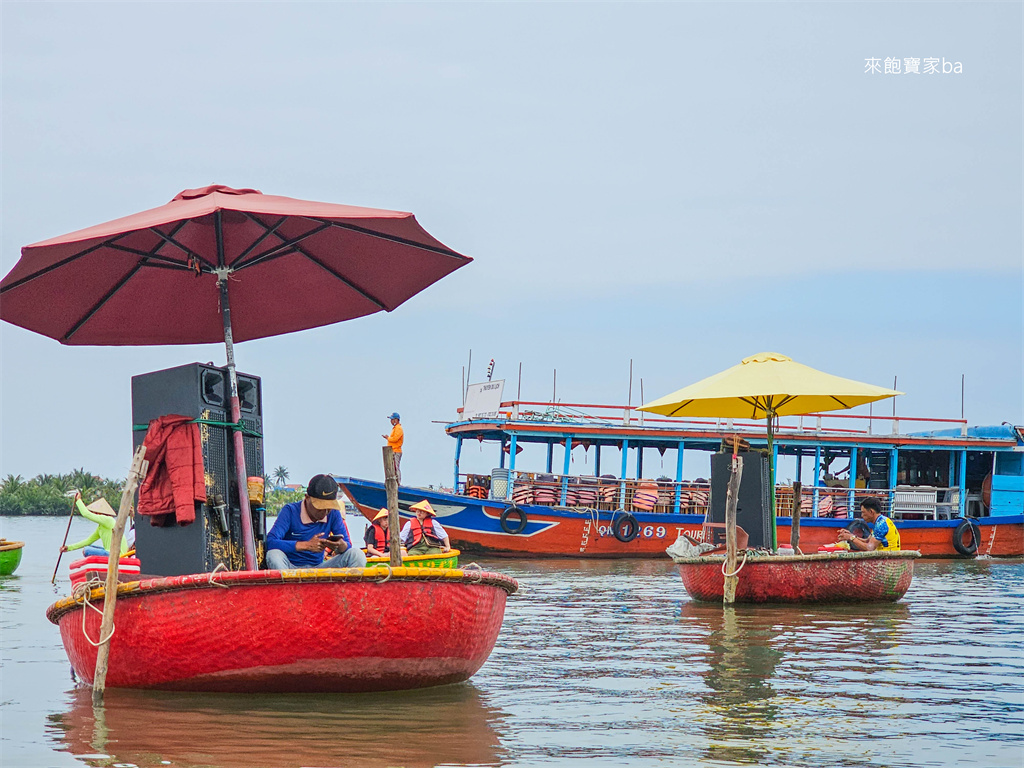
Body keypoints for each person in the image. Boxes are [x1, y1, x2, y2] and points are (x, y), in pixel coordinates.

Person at [266, 474, 367, 569]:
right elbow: (270, 542)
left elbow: (348, 545)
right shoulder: (290, 511)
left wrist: (340, 546)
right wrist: (305, 545)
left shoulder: (334, 514)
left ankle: (349, 588)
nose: (324, 513)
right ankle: (287, 587)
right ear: (307, 498)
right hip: (290, 567)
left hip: (319, 568)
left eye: (328, 508)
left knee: (357, 554)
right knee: (273, 555)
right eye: (320, 508)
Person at [62, 496, 130, 558]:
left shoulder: (107, 520)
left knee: (87, 550)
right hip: (110, 553)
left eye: (95, 513)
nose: (95, 515)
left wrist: (78, 500)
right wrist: (69, 548)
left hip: (117, 555)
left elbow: (86, 514)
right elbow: (88, 541)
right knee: (88, 547)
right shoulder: (101, 528)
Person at [837, 496, 901, 551]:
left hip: (888, 559)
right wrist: (850, 535)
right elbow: (867, 541)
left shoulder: (881, 525)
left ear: (871, 512)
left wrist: (851, 538)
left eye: (863, 512)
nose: (862, 515)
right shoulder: (881, 521)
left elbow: (869, 547)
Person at [382, 412, 404, 483]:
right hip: (392, 450)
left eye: (392, 420)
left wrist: (388, 438)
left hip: (396, 451)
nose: (391, 421)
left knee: (395, 467)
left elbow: (395, 439)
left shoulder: (398, 428)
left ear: (396, 420)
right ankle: (393, 481)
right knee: (391, 467)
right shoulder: (395, 428)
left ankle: (398, 481)